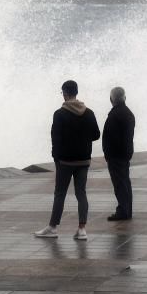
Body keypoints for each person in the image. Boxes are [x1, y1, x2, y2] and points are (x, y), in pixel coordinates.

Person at [35, 80, 101, 241]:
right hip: (84, 160)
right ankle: (82, 229)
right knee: (81, 193)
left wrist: (56, 158)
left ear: (65, 92)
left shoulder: (60, 114)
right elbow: (96, 135)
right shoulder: (89, 112)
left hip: (65, 161)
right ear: (76, 92)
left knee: (60, 193)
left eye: (62, 92)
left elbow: (55, 139)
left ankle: (52, 227)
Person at [102, 86, 135, 221]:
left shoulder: (115, 115)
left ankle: (123, 211)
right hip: (125, 154)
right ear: (124, 98)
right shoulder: (128, 113)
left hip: (116, 156)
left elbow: (111, 138)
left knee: (120, 184)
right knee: (125, 183)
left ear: (111, 99)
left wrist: (108, 154)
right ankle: (127, 210)